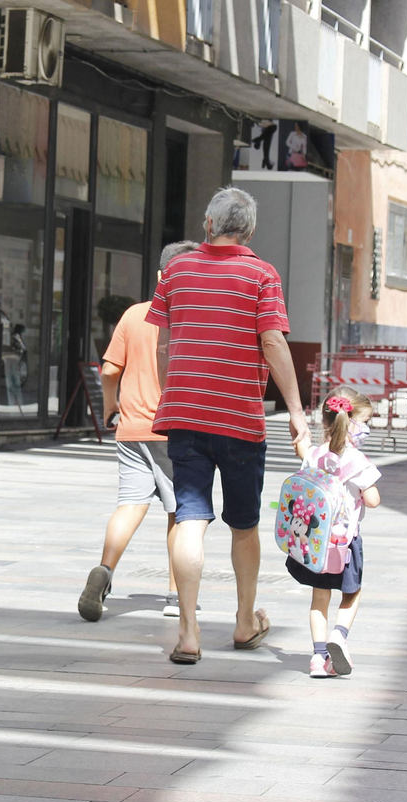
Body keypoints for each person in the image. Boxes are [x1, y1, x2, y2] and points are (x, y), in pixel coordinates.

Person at [149, 188, 310, 664]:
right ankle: (243, 623)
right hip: (240, 420)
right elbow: (274, 344)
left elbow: (163, 345)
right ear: (251, 230)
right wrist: (297, 412)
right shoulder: (262, 275)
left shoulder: (175, 271)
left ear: (207, 223)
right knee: (243, 525)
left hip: (185, 416)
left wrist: (171, 393)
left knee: (191, 519)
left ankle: (188, 633)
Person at [77, 240, 199, 623]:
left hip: (131, 428)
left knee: (129, 505)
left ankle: (105, 571)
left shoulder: (133, 315)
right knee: (180, 513)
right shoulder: (191, 320)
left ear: (161, 275)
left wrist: (111, 405)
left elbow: (109, 370)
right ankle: (175, 596)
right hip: (175, 431)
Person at [286, 389, 381, 678]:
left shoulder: (314, 455)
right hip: (345, 544)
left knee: (319, 598)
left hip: (315, 543)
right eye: (364, 422)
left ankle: (318, 658)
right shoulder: (358, 461)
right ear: (350, 422)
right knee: (352, 593)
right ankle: (339, 636)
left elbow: (304, 463)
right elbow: (374, 500)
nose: (367, 429)